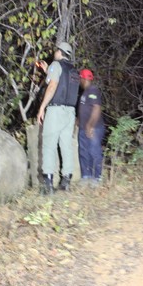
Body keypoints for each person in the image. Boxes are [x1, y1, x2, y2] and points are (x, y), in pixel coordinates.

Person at [36, 41, 79, 194]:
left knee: (49, 144)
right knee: (66, 145)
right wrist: (47, 70)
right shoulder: (74, 70)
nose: (55, 53)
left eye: (56, 51)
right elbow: (61, 81)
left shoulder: (56, 65)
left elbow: (53, 85)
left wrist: (42, 107)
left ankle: (48, 185)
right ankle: (66, 180)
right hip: (70, 112)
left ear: (60, 52)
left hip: (56, 111)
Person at [77, 69, 105, 185]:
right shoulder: (85, 92)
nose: (80, 81)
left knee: (94, 152)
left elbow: (96, 108)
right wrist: (78, 120)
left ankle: (97, 177)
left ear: (84, 79)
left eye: (80, 79)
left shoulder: (93, 90)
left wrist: (90, 125)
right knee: (84, 152)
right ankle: (86, 175)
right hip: (83, 128)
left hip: (94, 128)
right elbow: (85, 109)